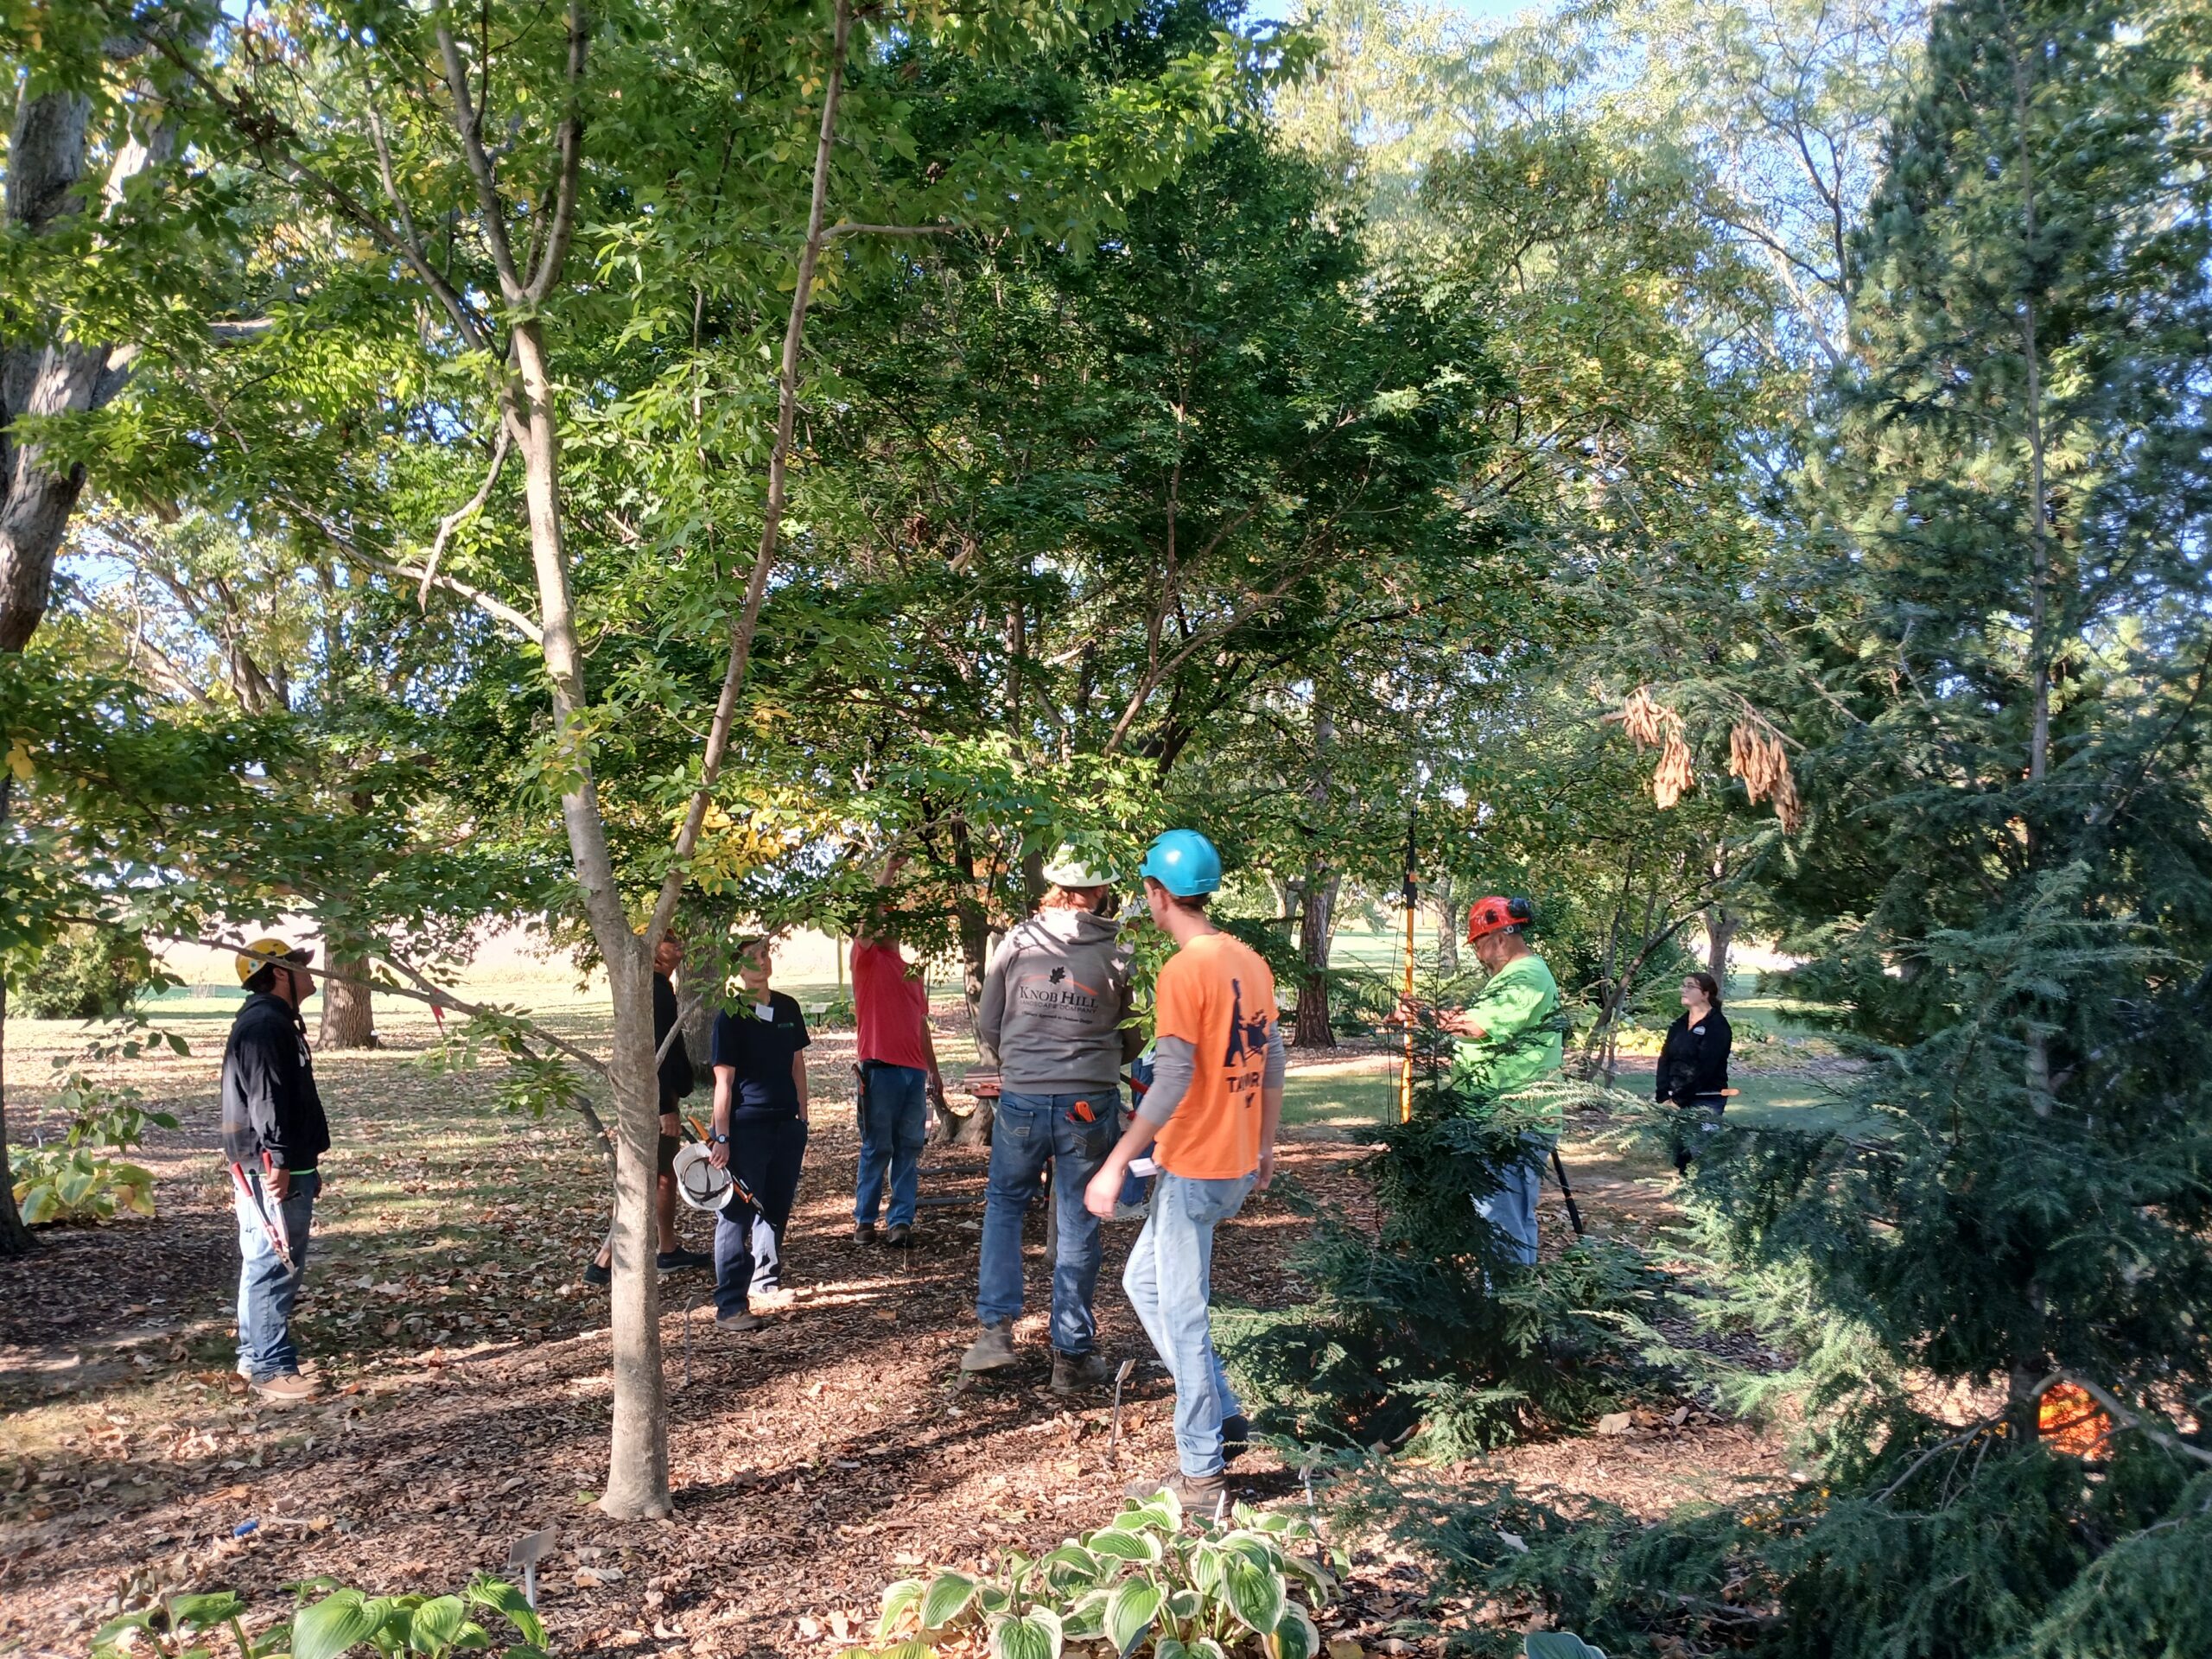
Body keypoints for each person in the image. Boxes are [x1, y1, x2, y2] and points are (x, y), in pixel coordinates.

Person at [1085, 830, 1285, 1510]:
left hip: (1196, 1165)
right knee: (1141, 1280)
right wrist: (1264, 1145)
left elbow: (1168, 1081)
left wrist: (1113, 1165)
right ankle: (1225, 1415)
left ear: (1157, 894)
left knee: (1184, 1314)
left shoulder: (1183, 971)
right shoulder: (1249, 962)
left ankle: (1202, 1477)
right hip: (1231, 1163)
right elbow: (1272, 1062)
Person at [961, 847, 1140, 1389]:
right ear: (1103, 890)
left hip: (1021, 1099)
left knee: (1004, 1207)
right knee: (1079, 1216)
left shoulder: (1018, 942)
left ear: (1055, 885)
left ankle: (995, 1332)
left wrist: (1024, 1057)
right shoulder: (1118, 951)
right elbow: (1133, 1039)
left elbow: (988, 1022)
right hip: (1089, 1101)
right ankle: (1072, 1353)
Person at [220, 938, 331, 1404]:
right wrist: (282, 1161)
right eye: (299, 965)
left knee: (266, 1259)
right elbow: (266, 1099)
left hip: (277, 1160)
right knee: (274, 1261)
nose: (310, 971)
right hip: (268, 1164)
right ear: (278, 973)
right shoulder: (266, 1025)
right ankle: (271, 1367)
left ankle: (254, 1355)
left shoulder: (277, 1020)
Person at [1446, 895, 1564, 1268]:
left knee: (1502, 1223)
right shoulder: (1515, 977)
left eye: (1479, 945)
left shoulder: (1526, 975)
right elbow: (1484, 1021)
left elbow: (1477, 1027)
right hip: (1504, 1116)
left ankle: (1505, 1311)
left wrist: (1420, 1015)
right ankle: (1518, 1307)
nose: (1479, 956)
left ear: (1500, 937)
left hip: (1512, 1120)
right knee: (1515, 1219)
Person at [587, 933, 711, 1284]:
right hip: (653, 1101)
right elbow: (654, 1054)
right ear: (654, 954)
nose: (678, 945)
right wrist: (664, 1107)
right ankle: (605, 1260)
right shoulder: (653, 992)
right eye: (668, 942)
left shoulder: (657, 989)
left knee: (662, 1175)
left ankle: (668, 1249)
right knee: (644, 1178)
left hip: (653, 1098)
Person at [706, 937, 811, 1332]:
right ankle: (730, 1305)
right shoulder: (730, 1016)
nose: (762, 962)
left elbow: (797, 1064)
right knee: (735, 1213)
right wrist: (722, 1136)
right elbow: (724, 1082)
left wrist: (802, 1115)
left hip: (788, 1124)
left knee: (775, 1207)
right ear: (737, 969)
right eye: (752, 958)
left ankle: (765, 1282)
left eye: (765, 955)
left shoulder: (787, 1007)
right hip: (747, 1128)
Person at [850, 861, 949, 1246]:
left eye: (894, 920)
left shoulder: (912, 972)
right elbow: (865, 925)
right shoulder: (867, 962)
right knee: (878, 1146)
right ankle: (864, 1220)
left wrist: (933, 1070)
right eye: (883, 919)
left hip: (913, 1071)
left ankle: (901, 1221)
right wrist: (889, 872)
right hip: (880, 1069)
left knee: (909, 1147)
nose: (888, 925)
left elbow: (920, 1024)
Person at [1656, 970, 1732, 1173]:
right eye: (1683, 985)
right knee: (1680, 1155)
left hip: (1706, 1099)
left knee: (1702, 1153)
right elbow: (1665, 1058)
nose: (1684, 990)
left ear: (1706, 994)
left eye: (1690, 986)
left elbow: (1704, 1069)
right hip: (1675, 1097)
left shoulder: (1717, 1026)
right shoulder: (1679, 1024)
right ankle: (1683, 1193)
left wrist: (1678, 1100)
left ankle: (1709, 1196)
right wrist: (1663, 1094)